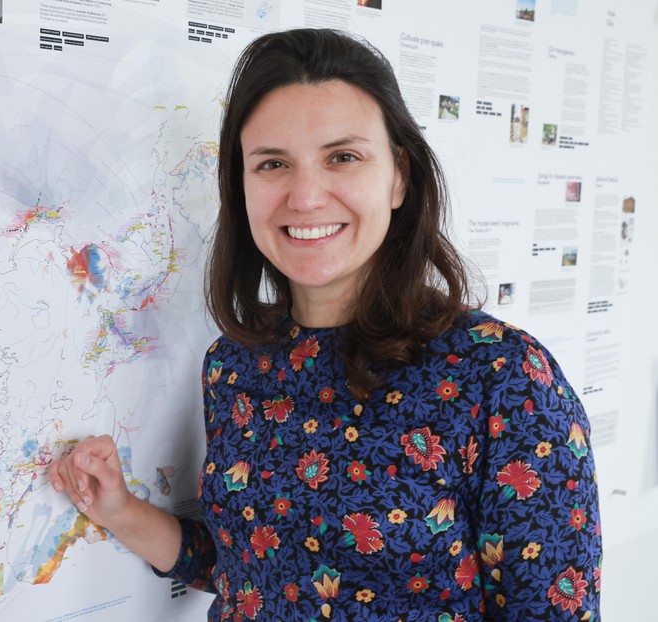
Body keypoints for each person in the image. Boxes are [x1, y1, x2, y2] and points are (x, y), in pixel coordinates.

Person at [49, 28, 600, 621]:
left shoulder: (503, 378)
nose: (306, 196)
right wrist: (121, 511)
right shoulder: (234, 364)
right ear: (241, 187)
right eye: (273, 163)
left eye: (343, 157)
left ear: (399, 178)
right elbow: (251, 569)